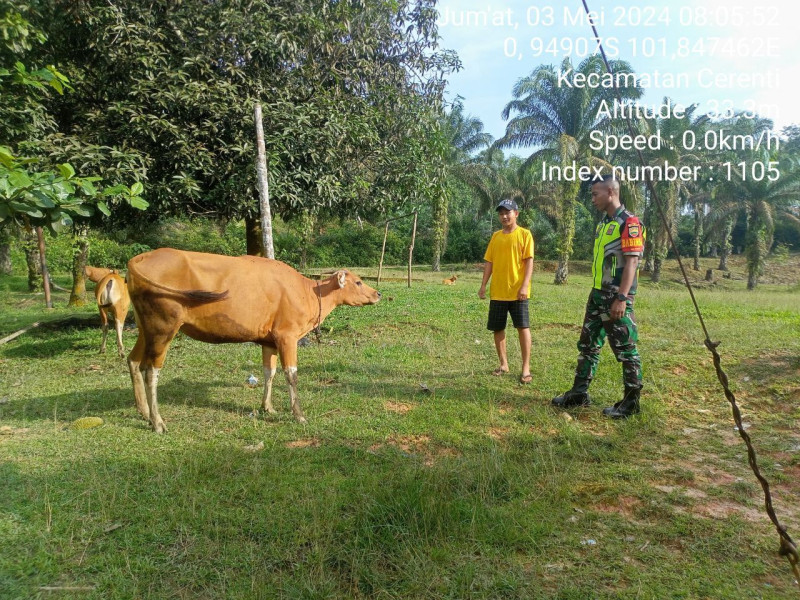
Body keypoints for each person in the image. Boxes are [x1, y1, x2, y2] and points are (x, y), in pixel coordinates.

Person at [552, 175, 645, 418]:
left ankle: (631, 401)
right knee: (588, 345)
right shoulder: (605, 223)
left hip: (616, 297)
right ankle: (579, 393)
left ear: (611, 193)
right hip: (597, 295)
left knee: (626, 349)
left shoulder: (629, 223)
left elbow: (632, 262)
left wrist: (622, 298)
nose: (592, 199)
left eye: (595, 194)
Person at [478, 198, 535, 384]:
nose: (504, 216)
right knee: (498, 328)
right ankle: (503, 364)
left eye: (507, 212)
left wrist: (525, 285)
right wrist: (483, 285)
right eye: (501, 213)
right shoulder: (495, 237)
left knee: (523, 328)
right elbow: (489, 262)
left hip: (518, 292)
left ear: (516, 214)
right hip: (498, 292)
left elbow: (529, 262)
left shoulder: (525, 235)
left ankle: (525, 368)